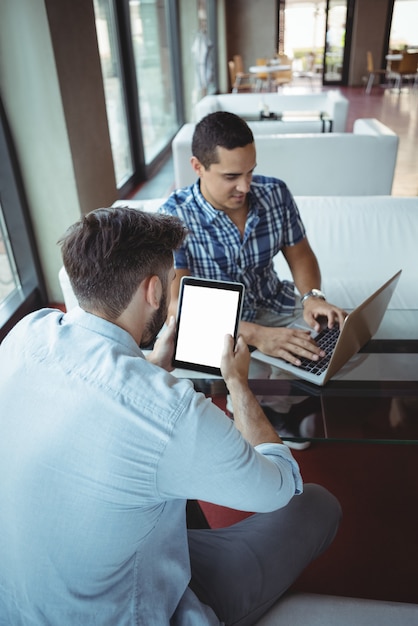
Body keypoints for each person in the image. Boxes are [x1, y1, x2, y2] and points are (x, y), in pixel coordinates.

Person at [0, 207, 341, 625]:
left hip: (26, 599)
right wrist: (237, 384)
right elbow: (280, 487)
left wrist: (153, 365)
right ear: (153, 292)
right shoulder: (172, 412)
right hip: (128, 610)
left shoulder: (27, 331)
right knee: (318, 504)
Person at [159, 111, 347, 445]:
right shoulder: (173, 216)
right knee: (257, 369)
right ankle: (265, 410)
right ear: (197, 166)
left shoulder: (275, 193)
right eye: (232, 176)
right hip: (216, 324)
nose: (245, 186)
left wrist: (312, 297)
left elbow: (300, 254)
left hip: (274, 300)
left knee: (336, 333)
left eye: (250, 171)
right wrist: (259, 335)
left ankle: (282, 401)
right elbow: (179, 306)